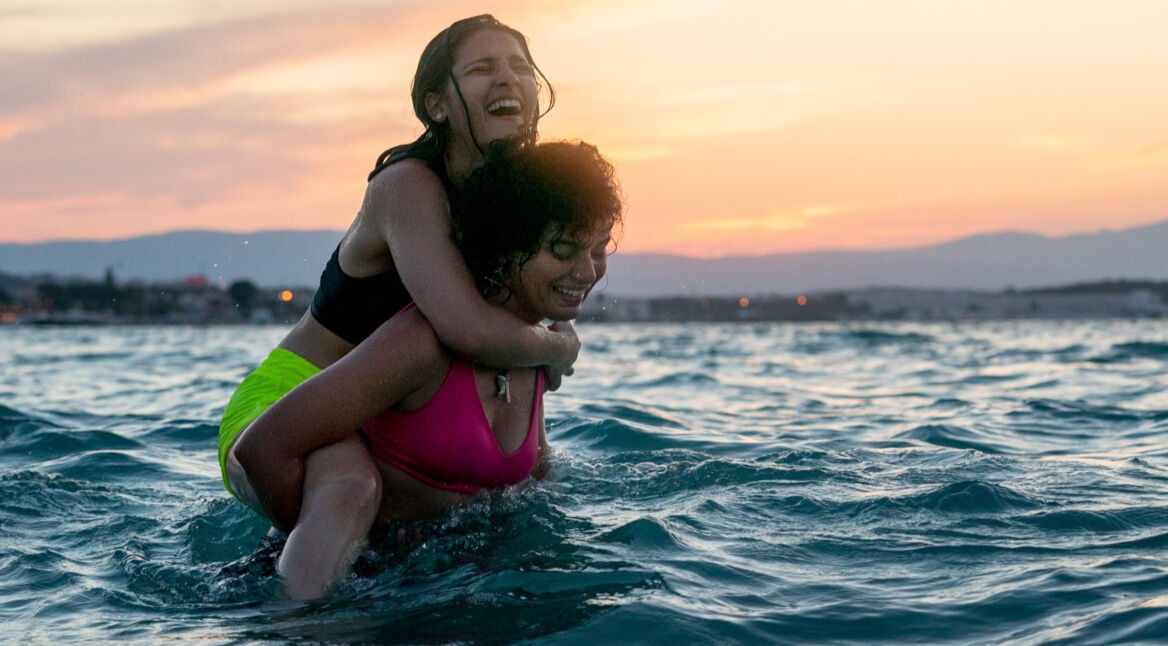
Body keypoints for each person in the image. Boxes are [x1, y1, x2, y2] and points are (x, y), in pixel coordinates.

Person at [216, 14, 579, 582]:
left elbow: (515, 311)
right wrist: (558, 348)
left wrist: (543, 339)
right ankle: (294, 623)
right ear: (437, 105)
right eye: (483, 69)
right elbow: (469, 329)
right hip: (291, 401)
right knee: (350, 488)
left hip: (381, 412)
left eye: (520, 68)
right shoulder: (408, 187)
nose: (508, 80)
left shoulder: (511, 197)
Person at [234, 139, 624, 599]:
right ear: (508, 244)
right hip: (338, 592)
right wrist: (353, 547)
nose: (587, 271)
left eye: (599, 249)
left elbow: (530, 494)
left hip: (433, 588)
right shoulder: (420, 343)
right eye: (563, 249)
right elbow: (262, 448)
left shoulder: (535, 350)